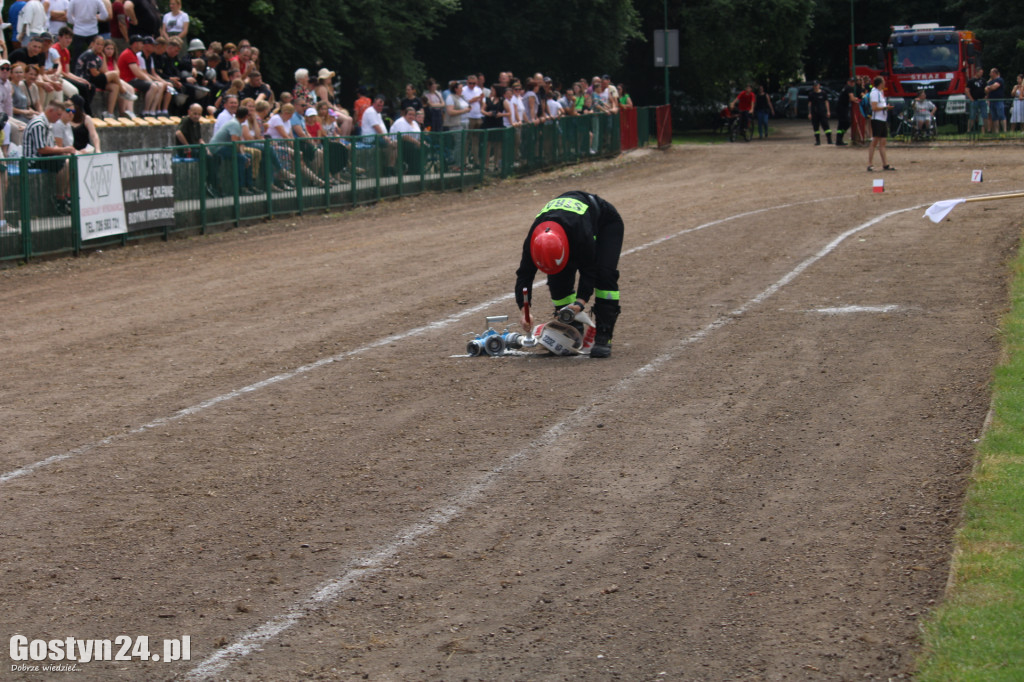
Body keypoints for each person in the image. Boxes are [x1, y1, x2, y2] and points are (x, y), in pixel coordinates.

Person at [514, 191, 623, 358]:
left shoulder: (581, 235)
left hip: (605, 223)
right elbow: (524, 275)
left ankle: (603, 335)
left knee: (604, 275)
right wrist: (524, 311)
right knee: (558, 280)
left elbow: (589, 269)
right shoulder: (533, 241)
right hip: (566, 230)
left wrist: (580, 302)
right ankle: (572, 327)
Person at [867, 75, 895, 172]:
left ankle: (885, 164)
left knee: (883, 142)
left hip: (882, 119)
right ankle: (869, 163)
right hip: (877, 119)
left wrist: (885, 107)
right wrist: (885, 108)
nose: (884, 83)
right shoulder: (874, 93)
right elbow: (874, 108)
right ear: (880, 83)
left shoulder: (880, 92)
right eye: (883, 82)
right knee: (875, 141)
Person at [834, 76, 856, 146]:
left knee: (841, 124)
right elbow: (852, 98)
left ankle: (839, 140)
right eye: (851, 82)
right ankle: (839, 138)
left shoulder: (845, 88)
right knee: (847, 122)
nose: (852, 83)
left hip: (841, 107)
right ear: (848, 82)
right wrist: (857, 99)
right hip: (843, 108)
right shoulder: (849, 88)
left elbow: (848, 98)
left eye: (853, 82)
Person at [807, 81, 831, 145]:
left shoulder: (823, 93)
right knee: (816, 127)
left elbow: (826, 102)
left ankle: (829, 140)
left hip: (822, 112)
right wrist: (809, 113)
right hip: (814, 112)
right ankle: (818, 141)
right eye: (814, 86)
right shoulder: (811, 94)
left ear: (819, 85)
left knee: (826, 126)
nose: (815, 87)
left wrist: (828, 111)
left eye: (816, 85)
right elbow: (809, 104)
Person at [966, 66, 987, 134]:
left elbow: (986, 89)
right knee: (972, 116)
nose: (981, 74)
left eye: (982, 73)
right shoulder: (971, 81)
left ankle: (983, 131)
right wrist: (971, 98)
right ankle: (969, 130)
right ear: (977, 72)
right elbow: (967, 90)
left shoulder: (983, 81)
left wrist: (986, 97)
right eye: (980, 72)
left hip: (982, 100)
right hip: (974, 100)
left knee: (983, 115)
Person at [986, 67, 1007, 133]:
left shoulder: (1000, 80)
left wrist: (989, 87)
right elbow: (986, 90)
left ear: (994, 73)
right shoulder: (990, 81)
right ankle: (996, 131)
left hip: (998, 100)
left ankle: (1004, 130)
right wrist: (989, 87)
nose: (989, 74)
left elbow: (995, 87)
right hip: (992, 101)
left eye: (991, 73)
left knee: (1001, 115)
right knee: (994, 117)